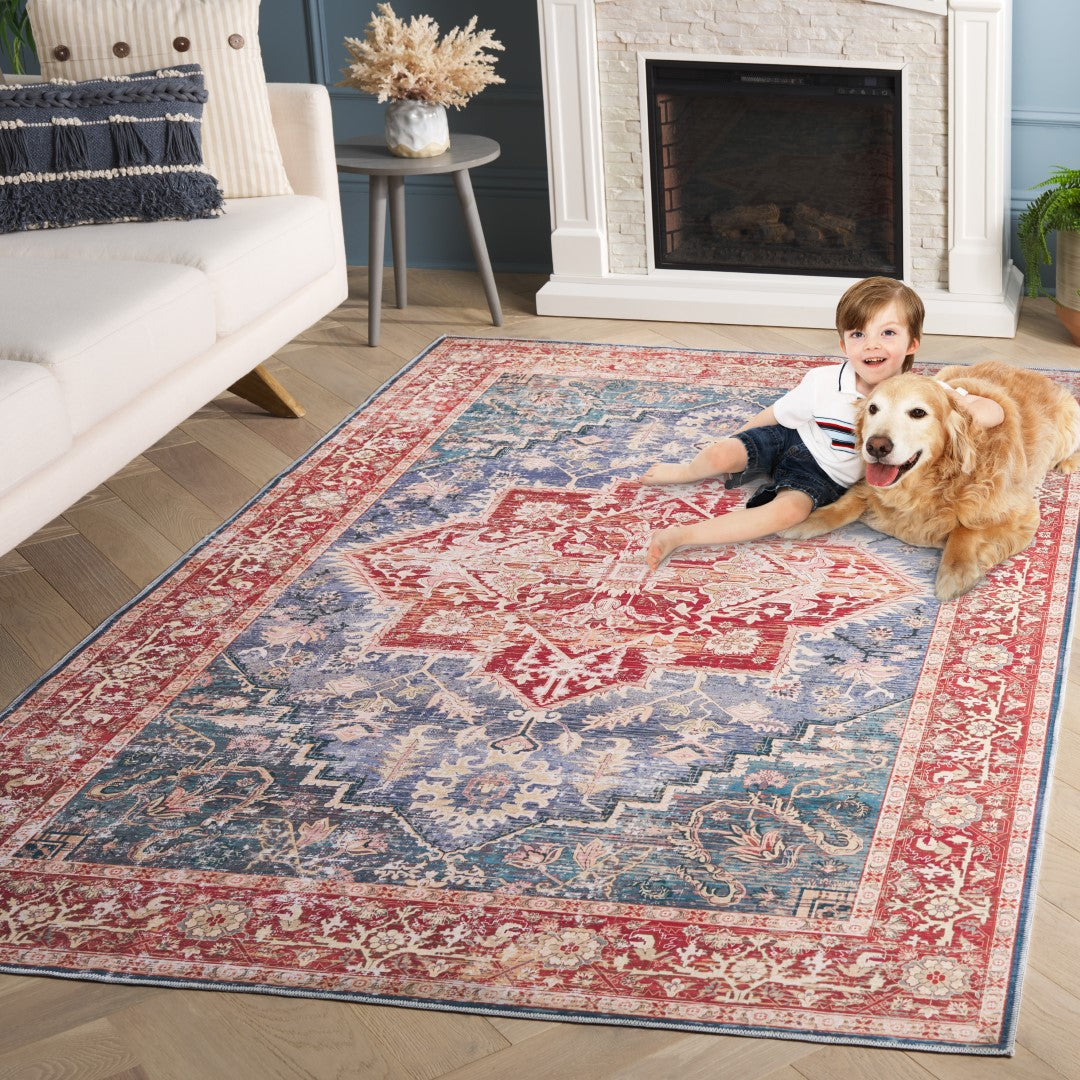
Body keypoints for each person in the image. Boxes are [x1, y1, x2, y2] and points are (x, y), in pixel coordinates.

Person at [640, 275, 1004, 571]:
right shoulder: (822, 380)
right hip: (789, 438)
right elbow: (776, 414)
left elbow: (994, 412)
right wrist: (734, 438)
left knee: (789, 512)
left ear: (912, 344)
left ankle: (682, 536)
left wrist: (958, 403)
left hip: (822, 475)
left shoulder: (925, 395)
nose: (871, 345)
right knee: (719, 455)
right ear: (844, 345)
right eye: (858, 334)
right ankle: (686, 471)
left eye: (888, 333)